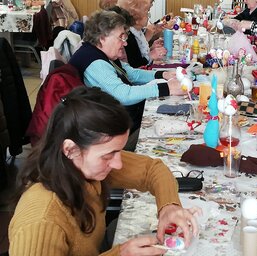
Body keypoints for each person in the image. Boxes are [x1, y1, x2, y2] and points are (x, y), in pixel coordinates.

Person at [9, 87, 201, 255]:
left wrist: (168, 207)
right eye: (109, 155)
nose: (118, 164)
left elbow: (153, 169)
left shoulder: (81, 166)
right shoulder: (41, 221)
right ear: (70, 149)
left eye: (119, 151)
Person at [69, 10, 183, 151]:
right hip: (113, 133)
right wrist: (167, 88)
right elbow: (124, 95)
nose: (125, 43)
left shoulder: (100, 53)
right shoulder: (95, 63)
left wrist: (163, 74)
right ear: (102, 38)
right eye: (121, 38)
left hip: (121, 118)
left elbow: (132, 74)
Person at [115, 0, 167, 68]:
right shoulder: (128, 36)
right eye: (146, 12)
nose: (148, 16)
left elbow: (139, 55)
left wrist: (152, 49)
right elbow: (135, 66)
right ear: (136, 17)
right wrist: (151, 55)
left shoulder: (137, 32)